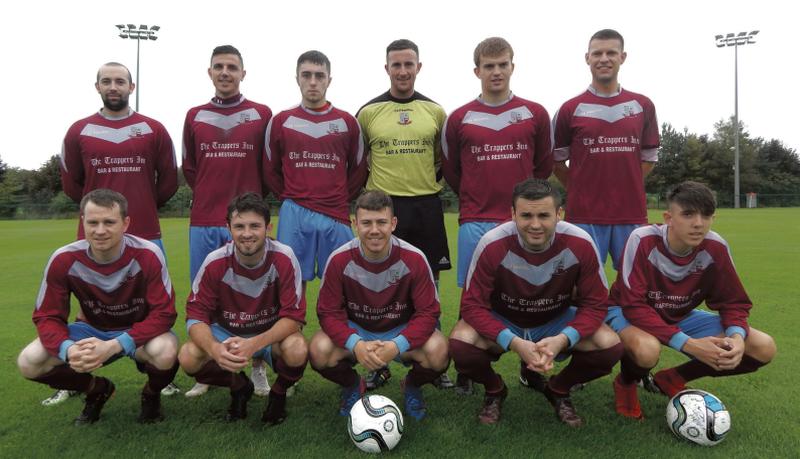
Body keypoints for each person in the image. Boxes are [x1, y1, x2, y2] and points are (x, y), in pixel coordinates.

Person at [449, 178, 622, 426]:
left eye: (544, 215)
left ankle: (559, 389)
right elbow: (472, 306)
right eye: (526, 216)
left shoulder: (581, 242)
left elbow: (595, 305)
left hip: (555, 321)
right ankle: (495, 390)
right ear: (513, 214)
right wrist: (515, 342)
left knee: (609, 345)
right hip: (506, 319)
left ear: (559, 213)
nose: (535, 225)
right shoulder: (492, 243)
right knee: (461, 343)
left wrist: (562, 339)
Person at [56, 62, 178, 403]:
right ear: (96, 87)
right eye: (107, 81)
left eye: (120, 81)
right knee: (87, 305)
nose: (114, 86)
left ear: (132, 86)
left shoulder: (153, 129)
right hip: (93, 237)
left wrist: (138, 207)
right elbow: (72, 183)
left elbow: (168, 180)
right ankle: (75, 373)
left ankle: (161, 375)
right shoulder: (79, 130)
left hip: (146, 233)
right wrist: (100, 216)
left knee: (156, 305)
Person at [608, 181, 777, 420]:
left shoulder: (715, 246)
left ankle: (672, 378)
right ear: (668, 217)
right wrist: (689, 344)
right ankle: (626, 382)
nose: (698, 223)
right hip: (628, 312)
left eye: (706, 215)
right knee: (647, 350)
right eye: (687, 214)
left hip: (679, 314)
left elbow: (733, 302)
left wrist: (737, 337)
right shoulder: (643, 239)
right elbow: (632, 304)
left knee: (763, 347)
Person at [442, 37, 553, 394]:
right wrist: (476, 199)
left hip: (524, 221)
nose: (496, 71)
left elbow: (543, 166)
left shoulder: (534, 113)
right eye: (489, 66)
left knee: (532, 291)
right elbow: (452, 170)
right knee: (472, 298)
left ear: (512, 67)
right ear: (477, 71)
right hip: (476, 219)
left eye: (502, 64)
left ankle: (530, 363)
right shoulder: (459, 118)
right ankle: (468, 367)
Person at [17, 189, 179, 425]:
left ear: (125, 223)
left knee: (166, 352)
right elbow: (47, 316)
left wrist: (115, 345)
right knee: (29, 361)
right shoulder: (63, 259)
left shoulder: (147, 254)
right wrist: (68, 349)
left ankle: (151, 394)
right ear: (82, 222)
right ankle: (97, 390)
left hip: (137, 331)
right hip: (91, 330)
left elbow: (164, 313)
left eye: (109, 222)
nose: (100, 230)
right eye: (93, 222)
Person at [357, 38, 453, 390]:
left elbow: (443, 162)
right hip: (384, 207)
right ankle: (377, 363)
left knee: (430, 286)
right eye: (395, 64)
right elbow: (358, 162)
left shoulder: (436, 111)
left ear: (418, 67)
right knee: (380, 286)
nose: (402, 70)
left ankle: (435, 363)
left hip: (425, 206)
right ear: (387, 68)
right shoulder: (368, 112)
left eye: (408, 64)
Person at [182, 45, 274, 399]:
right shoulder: (194, 115)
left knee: (253, 296)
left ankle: (257, 366)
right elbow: (190, 168)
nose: (225, 72)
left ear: (242, 73)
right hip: (205, 218)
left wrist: (251, 208)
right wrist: (211, 196)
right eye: (218, 66)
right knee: (207, 297)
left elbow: (268, 168)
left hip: (248, 221)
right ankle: (207, 370)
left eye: (231, 67)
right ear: (209, 72)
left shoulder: (260, 114)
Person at [309, 190, 449, 420]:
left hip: (400, 330)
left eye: (381, 222)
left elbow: (428, 312)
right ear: (355, 224)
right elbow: (328, 312)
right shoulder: (339, 259)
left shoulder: (414, 258)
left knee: (439, 350)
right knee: (319, 349)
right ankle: (353, 385)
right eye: (366, 223)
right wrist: (355, 344)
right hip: (359, 331)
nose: (374, 230)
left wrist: (397, 345)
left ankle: (412, 385)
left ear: (393, 223)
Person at [178, 193, 307, 425]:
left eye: (254, 226)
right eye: (239, 226)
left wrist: (254, 344)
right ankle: (239, 386)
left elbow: (294, 317)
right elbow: (195, 316)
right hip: (227, 334)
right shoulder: (214, 261)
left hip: (268, 333)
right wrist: (215, 349)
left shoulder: (284, 257)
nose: (247, 234)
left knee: (297, 348)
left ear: (268, 227)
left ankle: (278, 395)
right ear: (228, 228)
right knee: (188, 356)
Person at [552, 28, 659, 272]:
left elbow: (649, 159)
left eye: (611, 52)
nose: (604, 59)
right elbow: (556, 162)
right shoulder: (570, 109)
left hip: (630, 214)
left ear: (623, 57)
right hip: (583, 215)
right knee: (581, 287)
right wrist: (579, 188)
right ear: (587, 58)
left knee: (635, 285)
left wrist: (625, 185)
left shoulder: (643, 105)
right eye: (597, 53)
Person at [263, 49, 366, 297]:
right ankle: (292, 335)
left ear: (329, 80)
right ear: (296, 78)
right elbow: (270, 169)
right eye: (306, 74)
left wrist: (338, 196)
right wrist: (293, 195)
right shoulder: (281, 121)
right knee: (293, 282)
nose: (312, 81)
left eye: (319, 75)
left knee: (342, 283)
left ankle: (338, 335)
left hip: (336, 213)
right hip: (295, 212)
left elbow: (359, 169)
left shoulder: (347, 122)